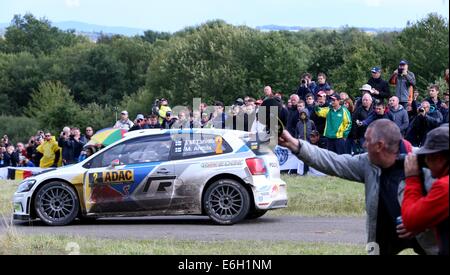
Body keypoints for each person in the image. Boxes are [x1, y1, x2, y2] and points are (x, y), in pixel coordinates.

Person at [278, 119, 426, 255]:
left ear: (379, 145)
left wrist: (422, 222)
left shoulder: (424, 161)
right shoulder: (368, 162)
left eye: (367, 140)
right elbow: (334, 162)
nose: (363, 145)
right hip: (384, 233)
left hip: (424, 229)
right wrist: (294, 144)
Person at [403, 126, 449, 255]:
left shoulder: (445, 186)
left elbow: (410, 221)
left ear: (440, 158)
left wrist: (412, 178)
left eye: (428, 157)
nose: (426, 162)